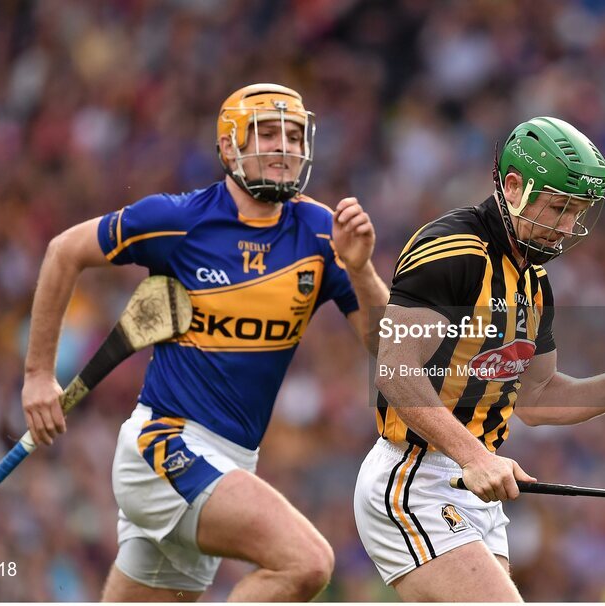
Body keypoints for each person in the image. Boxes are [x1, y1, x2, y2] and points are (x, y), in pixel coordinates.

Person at [22, 83, 388, 601]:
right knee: (307, 562)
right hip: (163, 447)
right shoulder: (179, 219)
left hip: (230, 463)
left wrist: (362, 270)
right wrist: (38, 375)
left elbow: (388, 347)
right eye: (267, 133)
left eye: (294, 135)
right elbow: (64, 251)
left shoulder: (323, 233)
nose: (284, 146)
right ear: (230, 148)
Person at [354, 116, 605, 601]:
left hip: (472, 485)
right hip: (413, 478)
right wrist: (474, 455)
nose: (567, 227)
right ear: (514, 187)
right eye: (559, 208)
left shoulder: (534, 282)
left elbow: (536, 398)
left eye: (577, 212)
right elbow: (395, 371)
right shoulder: (451, 251)